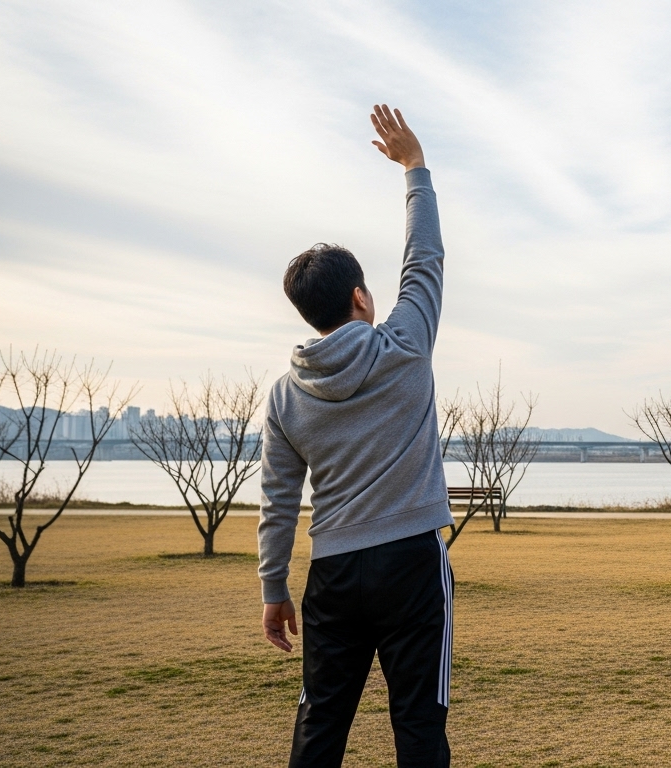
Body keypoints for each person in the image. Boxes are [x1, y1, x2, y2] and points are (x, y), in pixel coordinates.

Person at [257, 104, 455, 768]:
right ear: (362, 299)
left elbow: (279, 502)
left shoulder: (285, 395)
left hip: (333, 573)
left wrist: (273, 588)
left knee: (320, 725)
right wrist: (414, 167)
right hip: (411, 564)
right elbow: (424, 261)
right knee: (419, 725)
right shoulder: (404, 346)